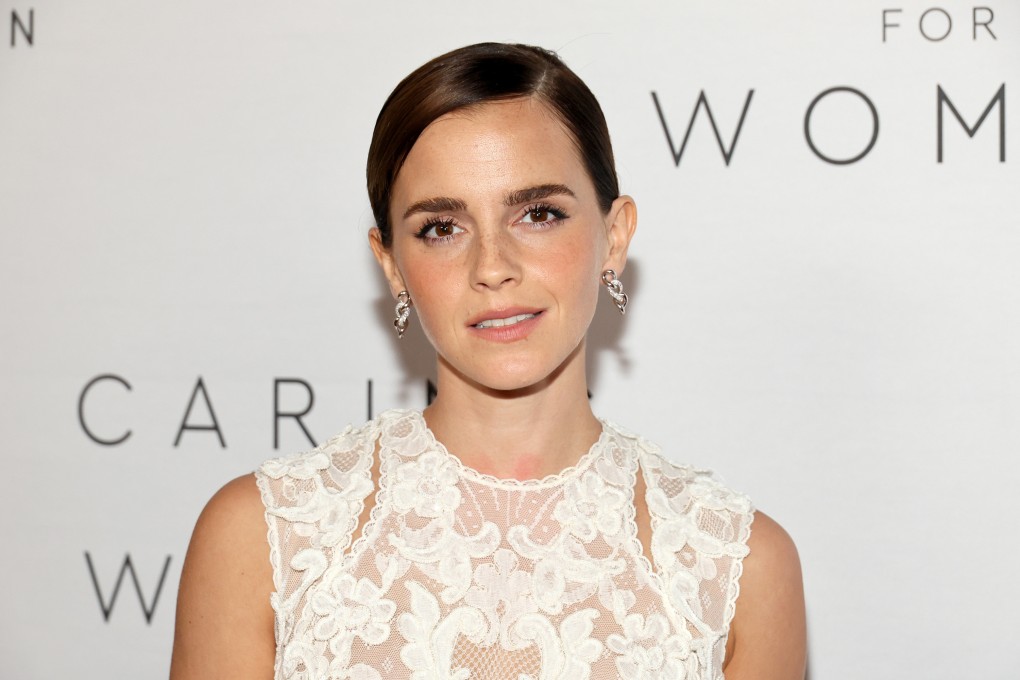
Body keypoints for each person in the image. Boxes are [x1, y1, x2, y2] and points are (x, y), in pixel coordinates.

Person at [169, 42, 806, 679]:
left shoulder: (738, 568)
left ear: (614, 236)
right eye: (442, 228)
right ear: (392, 265)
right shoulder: (265, 539)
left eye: (538, 214)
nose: (493, 267)